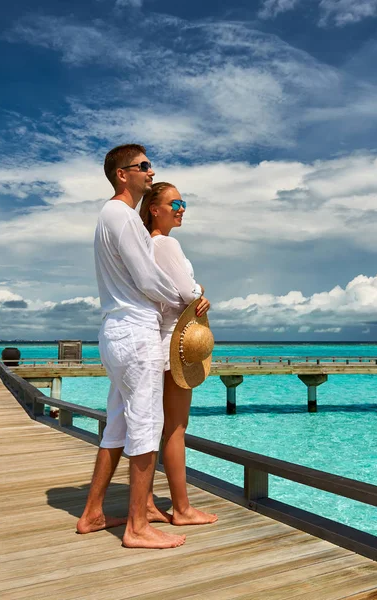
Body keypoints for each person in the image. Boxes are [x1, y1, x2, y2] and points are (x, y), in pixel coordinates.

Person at [77, 145, 190, 549]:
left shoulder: (112, 218)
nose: (150, 171)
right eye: (143, 166)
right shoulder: (121, 216)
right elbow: (148, 279)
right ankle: (138, 527)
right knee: (146, 427)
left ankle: (92, 512)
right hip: (136, 331)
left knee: (119, 425)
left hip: (117, 331)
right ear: (122, 175)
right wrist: (185, 298)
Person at [140, 182, 218, 526]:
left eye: (184, 202)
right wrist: (201, 290)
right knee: (175, 428)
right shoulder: (166, 243)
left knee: (156, 426)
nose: (182, 208)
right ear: (154, 209)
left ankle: (144, 502)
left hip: (160, 340)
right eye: (175, 203)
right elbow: (188, 292)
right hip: (177, 344)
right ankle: (182, 508)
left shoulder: (147, 245)